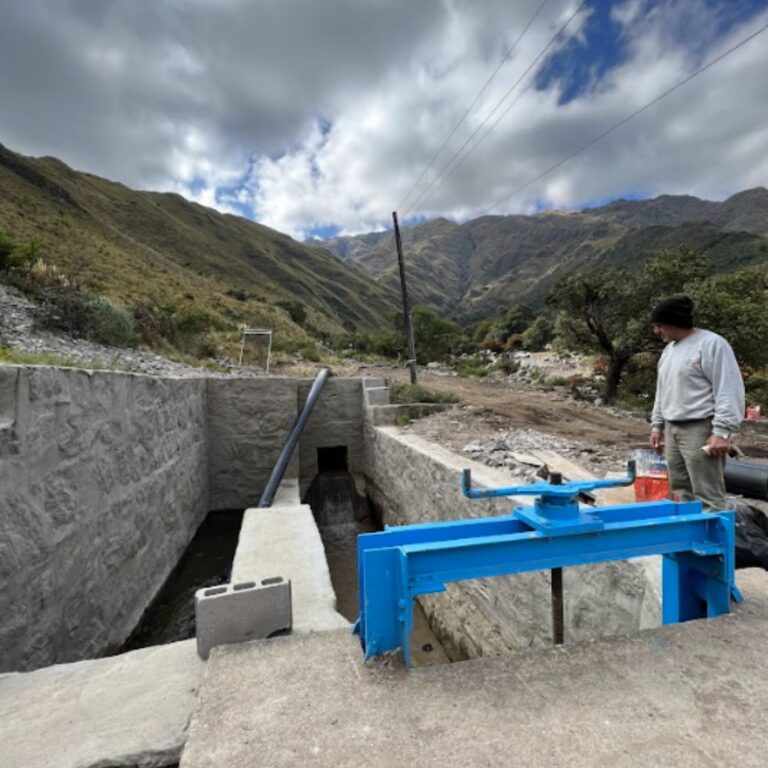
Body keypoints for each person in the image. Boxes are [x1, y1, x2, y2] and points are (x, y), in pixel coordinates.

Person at [649, 295, 744, 512]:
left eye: (659, 325)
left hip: (700, 428)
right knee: (681, 490)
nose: (656, 331)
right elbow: (662, 391)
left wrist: (722, 432)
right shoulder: (669, 351)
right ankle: (690, 543)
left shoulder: (712, 345)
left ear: (674, 322)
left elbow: (728, 389)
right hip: (672, 427)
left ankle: (716, 544)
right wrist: (657, 425)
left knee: (707, 493)